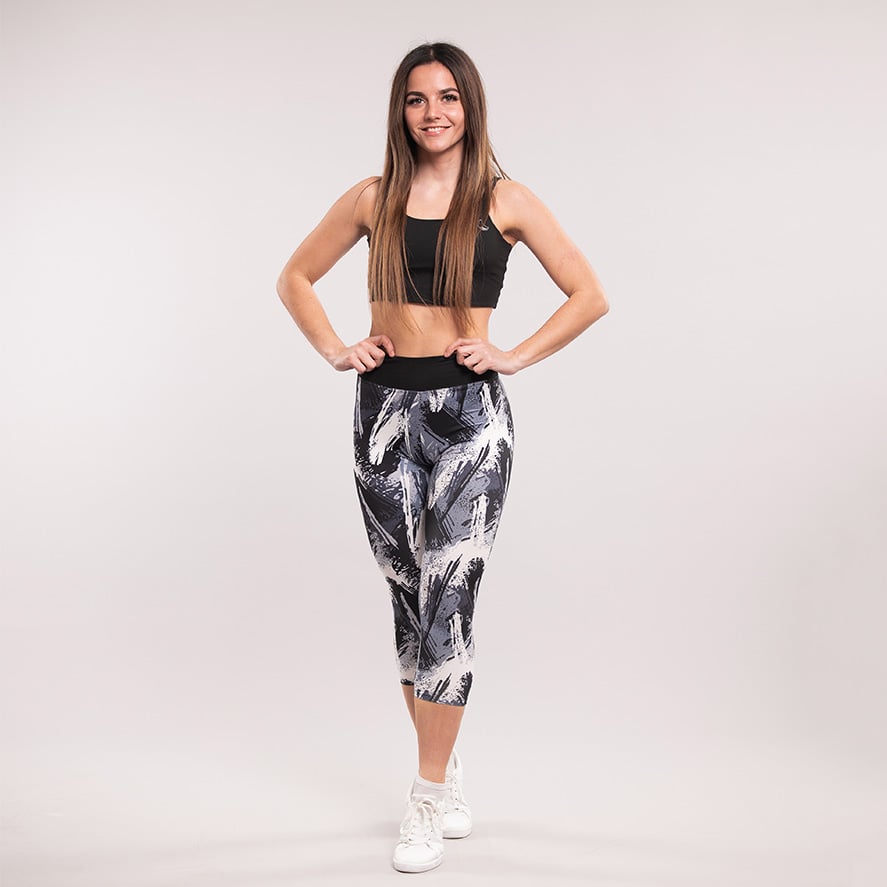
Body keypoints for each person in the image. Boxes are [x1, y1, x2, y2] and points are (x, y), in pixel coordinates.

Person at [276, 41, 609, 874]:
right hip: (382, 415)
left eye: (448, 97)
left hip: (469, 420)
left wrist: (514, 355)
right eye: (418, 98)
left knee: (447, 601)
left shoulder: (504, 200)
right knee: (406, 597)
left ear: (470, 106)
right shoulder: (373, 197)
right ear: (401, 109)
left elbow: (589, 294)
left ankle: (425, 797)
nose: (434, 112)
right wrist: (335, 348)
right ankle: (444, 761)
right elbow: (295, 278)